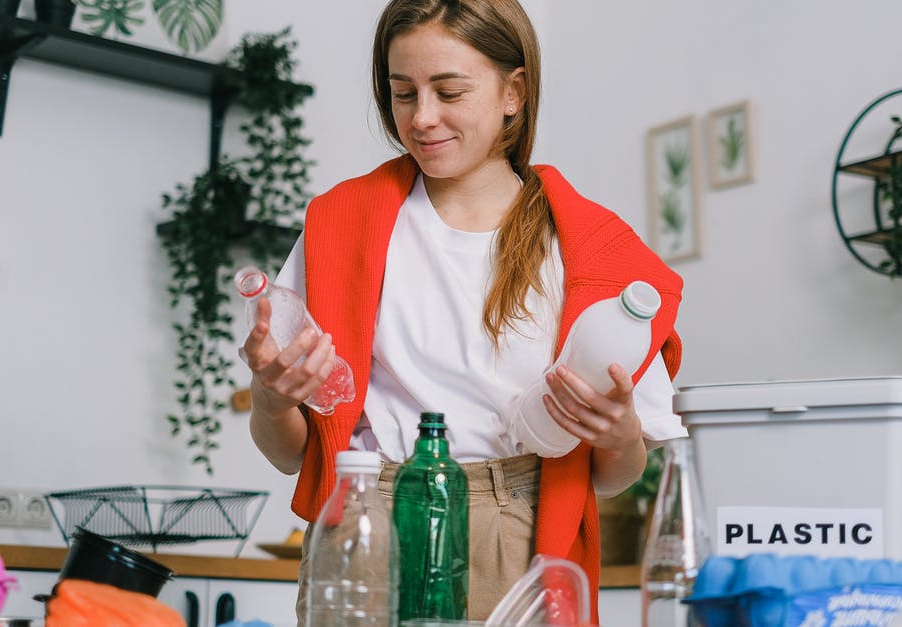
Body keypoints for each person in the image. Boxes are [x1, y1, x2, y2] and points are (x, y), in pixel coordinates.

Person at [240, 0, 686, 623]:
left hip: (523, 537)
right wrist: (271, 395)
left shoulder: (593, 252)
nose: (422, 118)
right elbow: (292, 455)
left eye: (449, 91)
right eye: (403, 94)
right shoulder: (341, 227)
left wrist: (618, 435)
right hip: (372, 527)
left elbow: (614, 478)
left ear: (514, 91)